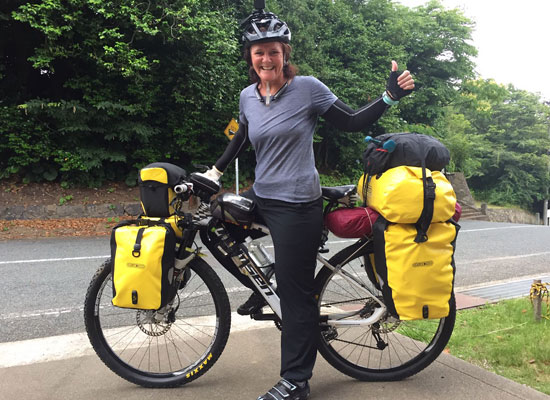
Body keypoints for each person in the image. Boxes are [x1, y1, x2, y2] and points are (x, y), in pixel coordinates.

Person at [198, 6, 414, 400]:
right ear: (250, 56)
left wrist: (389, 96)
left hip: (297, 204)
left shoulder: (308, 88)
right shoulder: (248, 95)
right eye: (259, 52)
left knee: (297, 297)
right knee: (214, 220)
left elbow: (350, 121)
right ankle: (262, 285)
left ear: (285, 55)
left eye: (274, 52)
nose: (266, 59)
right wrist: (214, 171)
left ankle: (296, 380)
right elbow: (243, 136)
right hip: (262, 194)